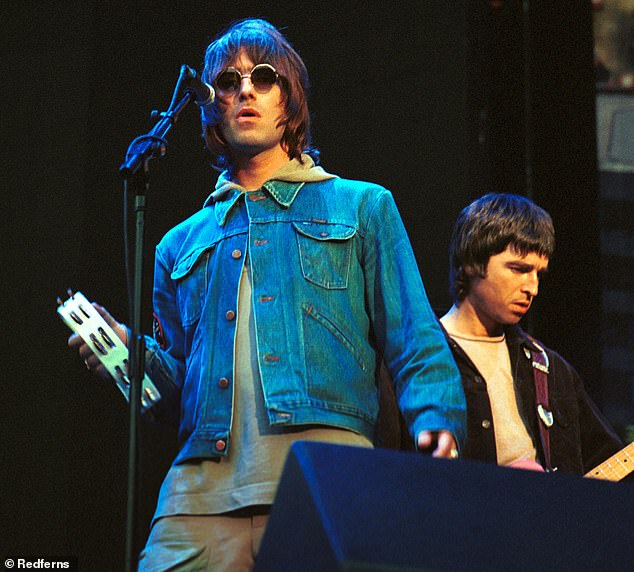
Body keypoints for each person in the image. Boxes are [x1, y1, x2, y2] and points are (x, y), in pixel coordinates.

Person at [70, 18, 466, 570]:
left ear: (290, 100)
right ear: (211, 106)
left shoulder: (361, 206)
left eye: (262, 76)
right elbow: (178, 388)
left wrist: (437, 419)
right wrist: (127, 357)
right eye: (228, 83)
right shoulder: (177, 244)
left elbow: (414, 338)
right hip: (198, 498)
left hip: (326, 477)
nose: (245, 90)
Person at [439, 192, 622, 474]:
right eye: (519, 269)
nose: (532, 288)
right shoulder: (419, 359)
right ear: (472, 262)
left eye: (539, 274)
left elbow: (609, 462)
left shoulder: (553, 372)